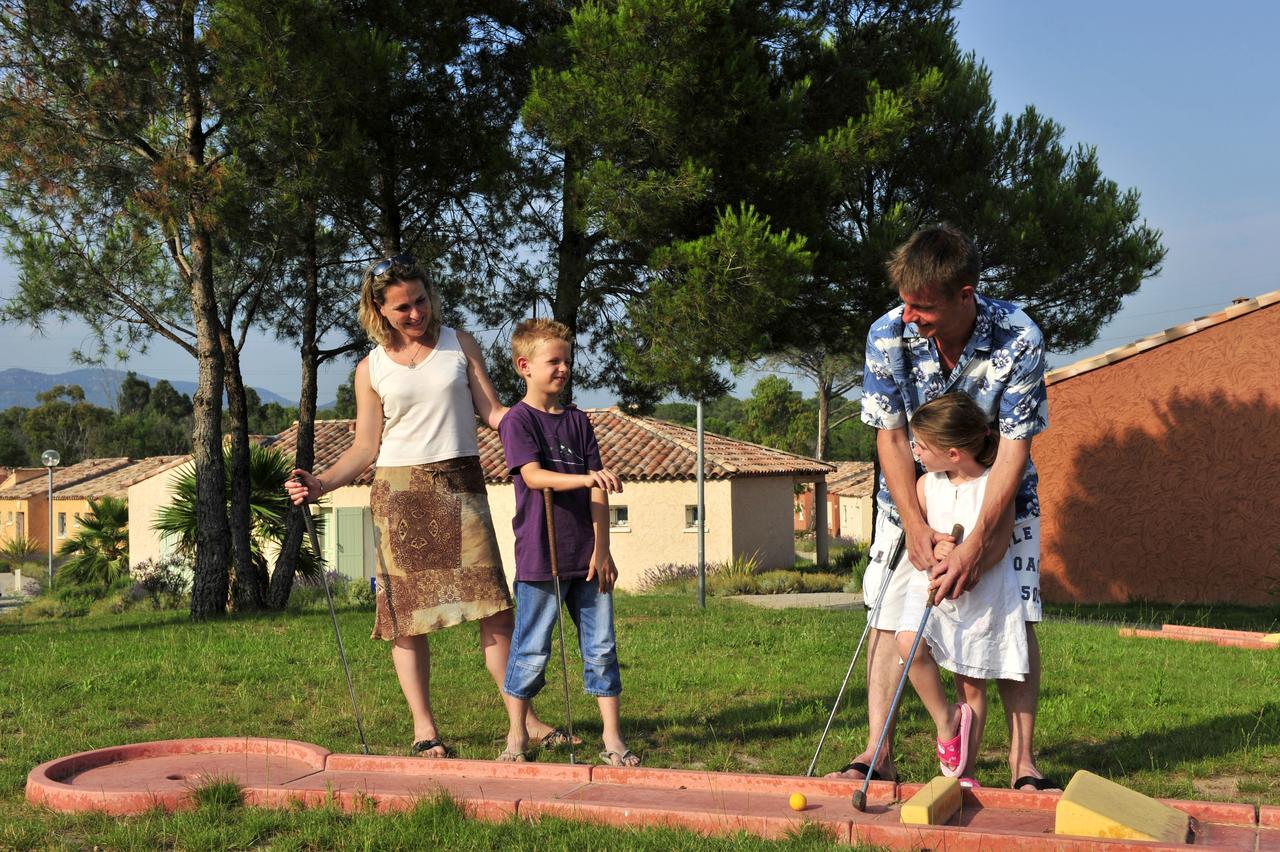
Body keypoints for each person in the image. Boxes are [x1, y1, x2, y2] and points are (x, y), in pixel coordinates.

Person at [284, 254, 565, 758]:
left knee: (496, 612)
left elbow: (494, 412)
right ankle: (424, 729)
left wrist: (543, 422)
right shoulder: (370, 368)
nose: (415, 314)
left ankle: (525, 721)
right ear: (378, 309)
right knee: (407, 619)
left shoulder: (460, 344)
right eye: (401, 308)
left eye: (420, 301)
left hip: (462, 486)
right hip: (401, 495)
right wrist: (320, 482)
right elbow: (366, 447)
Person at [827, 224, 1057, 791]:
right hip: (911, 500)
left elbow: (1014, 447)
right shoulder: (886, 334)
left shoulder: (1018, 337)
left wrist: (979, 541)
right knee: (889, 620)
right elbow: (889, 436)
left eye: (923, 307)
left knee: (1009, 621)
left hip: (998, 501)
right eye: (906, 302)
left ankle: (1022, 764)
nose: (910, 316)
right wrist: (915, 525)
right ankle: (877, 754)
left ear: (966, 294)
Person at [495, 319, 638, 766]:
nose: (563, 368)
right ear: (525, 366)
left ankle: (612, 738)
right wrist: (584, 476)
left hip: (586, 558)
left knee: (601, 647)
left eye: (567, 361)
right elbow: (534, 476)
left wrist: (603, 548)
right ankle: (516, 736)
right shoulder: (518, 421)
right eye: (553, 361)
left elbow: (598, 491)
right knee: (531, 648)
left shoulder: (578, 421)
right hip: (542, 556)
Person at [893, 393, 1028, 787]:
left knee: (970, 682)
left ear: (953, 453)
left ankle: (963, 774)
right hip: (932, 586)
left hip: (979, 593)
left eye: (921, 445)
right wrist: (936, 549)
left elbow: (999, 544)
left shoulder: (993, 487)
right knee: (908, 643)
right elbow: (918, 542)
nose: (914, 451)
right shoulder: (925, 485)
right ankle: (946, 721)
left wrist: (966, 567)